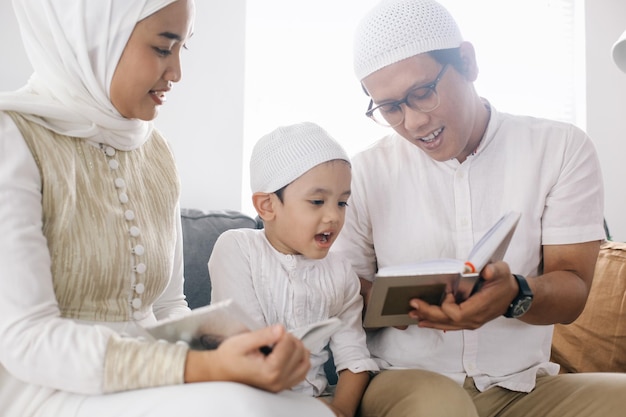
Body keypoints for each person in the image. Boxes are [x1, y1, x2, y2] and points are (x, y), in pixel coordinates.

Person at [0, 1, 334, 416]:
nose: (176, 72)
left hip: (156, 381)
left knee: (305, 409)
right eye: (163, 48)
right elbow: (25, 341)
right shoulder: (11, 138)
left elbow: (169, 308)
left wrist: (234, 353)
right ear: (91, 41)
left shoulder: (156, 152)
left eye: (182, 50)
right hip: (44, 390)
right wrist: (203, 367)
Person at [331, 0, 626, 416]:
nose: (413, 123)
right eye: (391, 108)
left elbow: (573, 287)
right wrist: (386, 305)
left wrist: (515, 296)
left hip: (522, 388)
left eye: (422, 94)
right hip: (405, 381)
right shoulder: (361, 173)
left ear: (467, 62)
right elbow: (342, 295)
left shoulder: (560, 148)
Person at [209, 122, 379, 417]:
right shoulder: (237, 248)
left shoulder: (340, 272)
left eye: (342, 203)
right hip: (245, 402)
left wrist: (339, 409)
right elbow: (254, 351)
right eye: (317, 201)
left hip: (314, 404)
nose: (333, 216)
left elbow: (354, 357)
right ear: (267, 206)